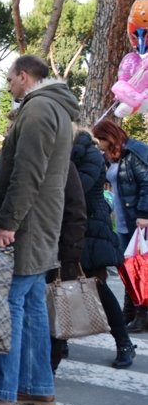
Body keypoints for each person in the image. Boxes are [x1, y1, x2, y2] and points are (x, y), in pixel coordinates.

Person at [0, 55, 80, 405]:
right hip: (39, 223)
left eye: (10, 79)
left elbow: (28, 173)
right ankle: (36, 386)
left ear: (24, 77)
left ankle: (1, 396)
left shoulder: (39, 109)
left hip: (27, 225)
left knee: (9, 306)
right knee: (31, 306)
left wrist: (7, 222)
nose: (8, 86)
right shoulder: (52, 107)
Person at [68, 128, 134, 368]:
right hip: (69, 226)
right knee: (60, 285)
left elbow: (78, 187)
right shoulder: (69, 152)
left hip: (91, 227)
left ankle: (123, 342)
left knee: (97, 286)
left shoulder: (89, 154)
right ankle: (60, 339)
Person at [90, 117, 148, 334]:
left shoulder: (133, 152)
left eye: (99, 140)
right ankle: (129, 311)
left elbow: (146, 183)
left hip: (139, 220)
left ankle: (140, 315)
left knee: (140, 269)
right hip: (125, 221)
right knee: (128, 268)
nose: (98, 144)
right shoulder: (114, 156)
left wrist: (144, 214)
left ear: (108, 137)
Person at [48, 161, 89, 372]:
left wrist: (68, 256)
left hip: (58, 253)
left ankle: (50, 367)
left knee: (56, 310)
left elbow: (76, 213)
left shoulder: (65, 165)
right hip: (45, 249)